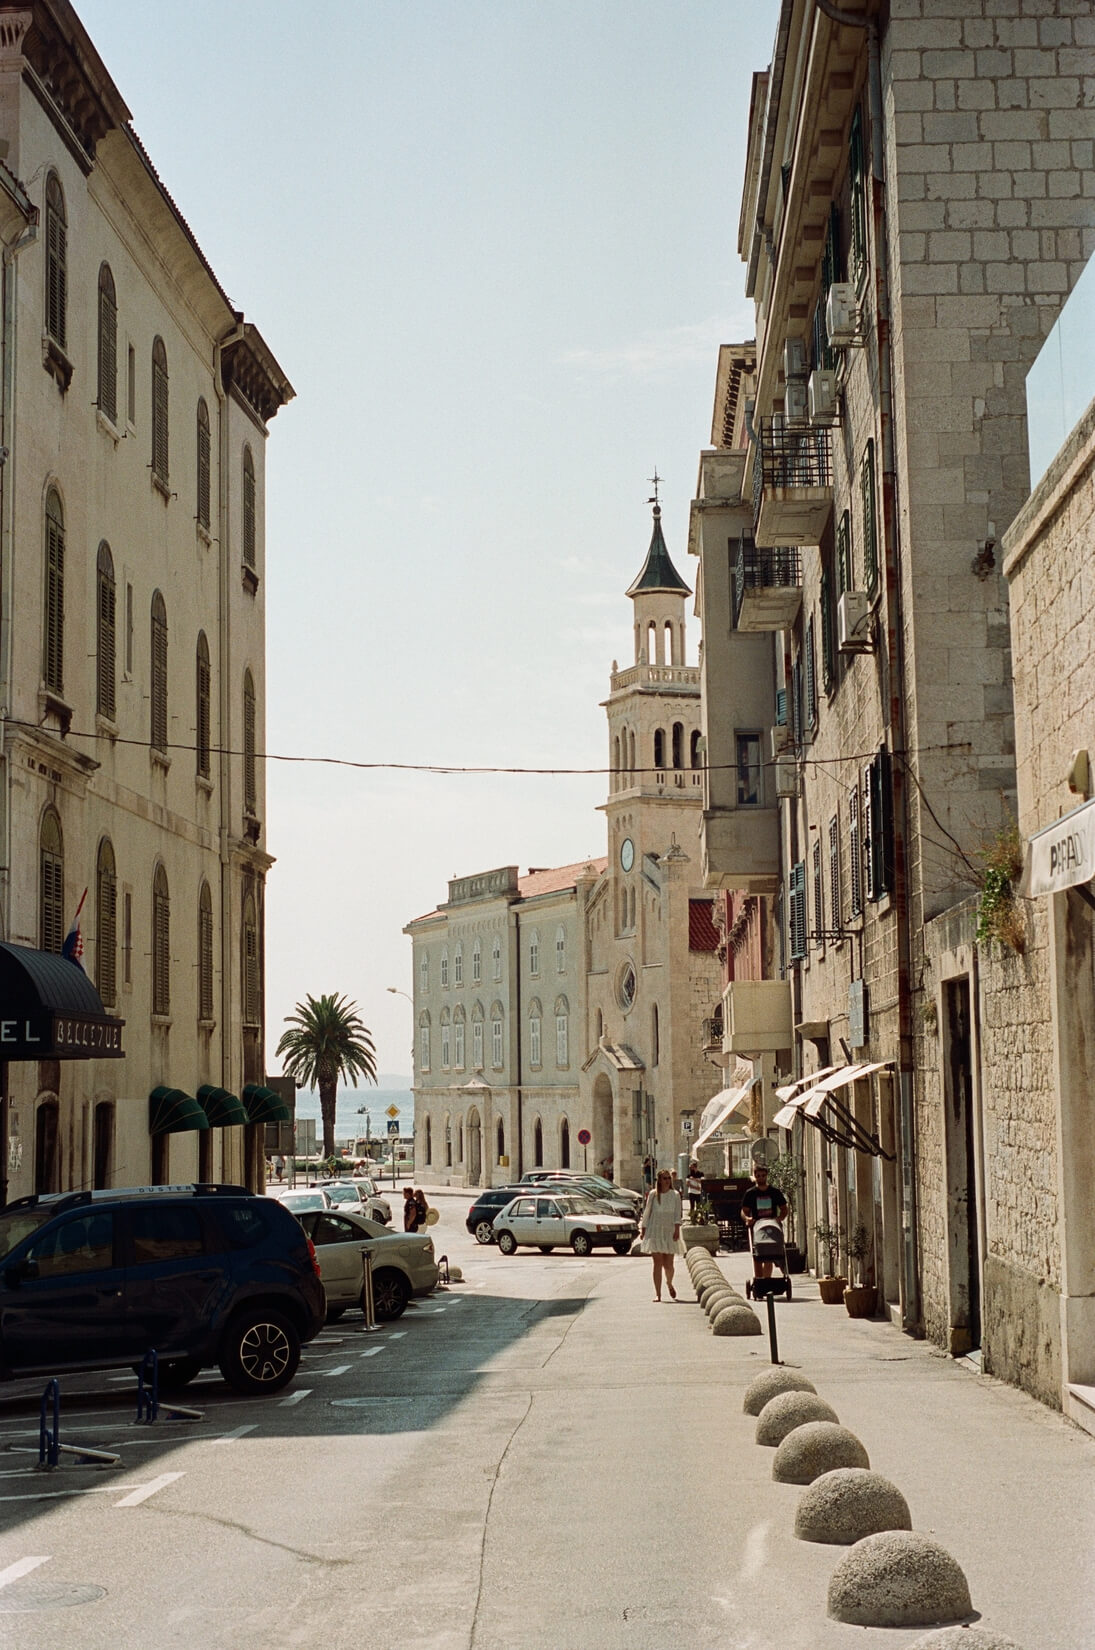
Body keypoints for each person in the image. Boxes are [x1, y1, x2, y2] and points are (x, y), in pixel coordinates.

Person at [640, 1168, 684, 1301]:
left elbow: (678, 1214)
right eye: (664, 1178)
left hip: (669, 1229)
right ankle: (658, 1294)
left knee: (669, 1264)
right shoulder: (653, 1194)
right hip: (655, 1229)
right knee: (657, 1263)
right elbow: (647, 1212)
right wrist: (643, 1228)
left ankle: (669, 1283)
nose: (667, 1181)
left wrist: (677, 1229)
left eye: (668, 1178)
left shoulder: (675, 1195)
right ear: (659, 1180)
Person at [739, 1162, 788, 1279]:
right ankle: (759, 1281)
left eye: (763, 1175)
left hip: (771, 1226)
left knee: (769, 1256)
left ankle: (767, 1281)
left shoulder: (774, 1192)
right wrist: (747, 1218)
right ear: (754, 1176)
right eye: (758, 1176)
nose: (761, 1178)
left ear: (767, 1176)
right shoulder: (750, 1193)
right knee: (757, 1255)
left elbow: (784, 1209)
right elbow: (744, 1210)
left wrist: (779, 1218)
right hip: (756, 1226)